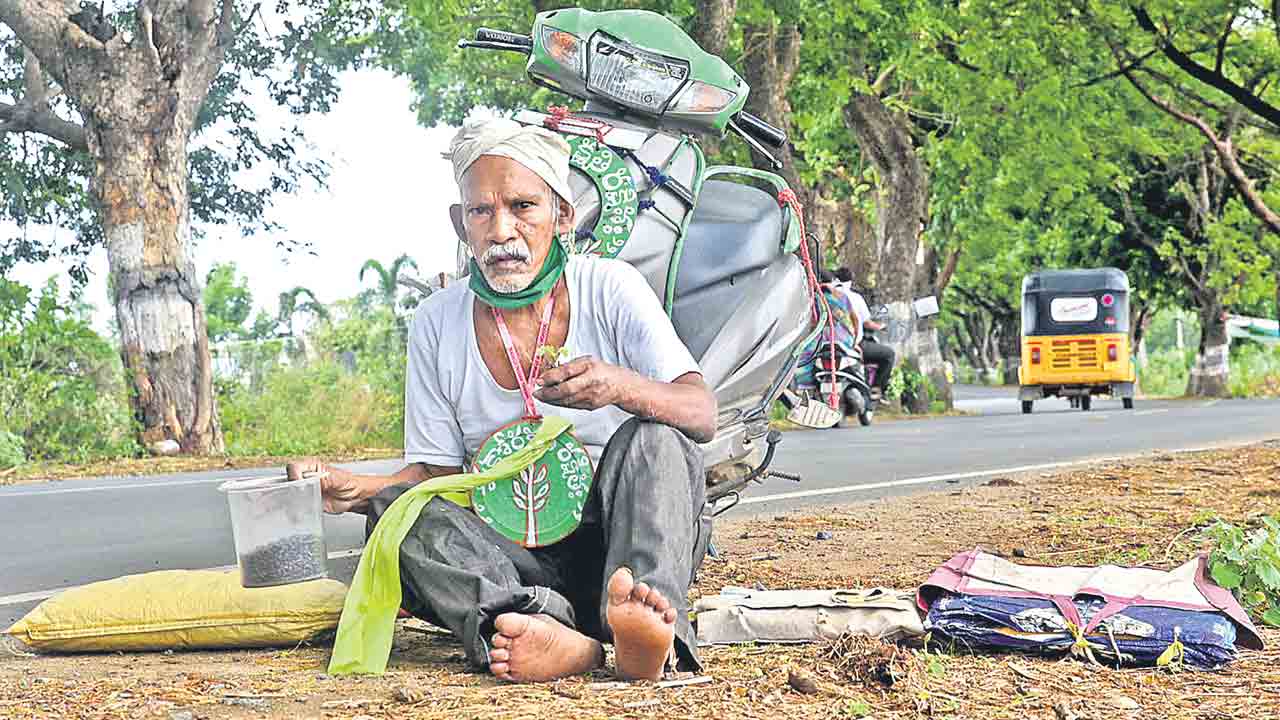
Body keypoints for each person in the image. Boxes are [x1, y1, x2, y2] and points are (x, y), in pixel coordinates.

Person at [286, 118, 717, 684]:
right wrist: (358, 488)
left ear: (563, 216)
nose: (501, 230)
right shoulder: (438, 320)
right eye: (481, 212)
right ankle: (541, 629)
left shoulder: (610, 287)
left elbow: (701, 413)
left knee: (656, 437)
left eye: (522, 206)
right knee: (397, 513)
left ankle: (645, 627)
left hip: (619, 546)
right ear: (459, 223)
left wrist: (619, 387)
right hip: (511, 561)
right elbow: (437, 475)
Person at [832, 267, 895, 398]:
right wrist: (881, 327)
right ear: (850, 281)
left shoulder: (822, 297)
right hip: (852, 345)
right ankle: (876, 388)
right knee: (889, 355)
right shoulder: (854, 298)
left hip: (825, 345)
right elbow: (865, 322)